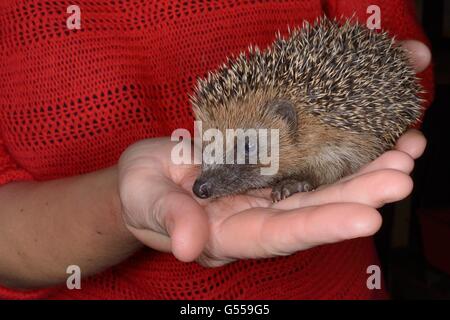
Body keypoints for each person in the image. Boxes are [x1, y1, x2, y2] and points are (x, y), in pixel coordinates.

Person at [0, 0, 433, 299]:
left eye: (245, 149)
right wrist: (119, 206)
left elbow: (400, 87)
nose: (206, 182)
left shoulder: (333, 127)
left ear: (290, 123)